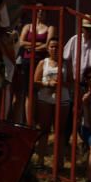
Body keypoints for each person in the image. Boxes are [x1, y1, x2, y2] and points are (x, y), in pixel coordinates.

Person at [12, 3, 55, 123]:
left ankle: (37, 121)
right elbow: (21, 42)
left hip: (40, 62)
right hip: (27, 62)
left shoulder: (49, 28)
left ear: (46, 13)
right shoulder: (28, 26)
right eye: (38, 10)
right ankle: (28, 122)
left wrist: (30, 46)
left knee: (38, 91)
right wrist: (38, 46)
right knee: (28, 92)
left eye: (43, 11)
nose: (40, 12)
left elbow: (47, 45)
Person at [31, 38, 68, 171]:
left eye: (57, 47)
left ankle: (58, 162)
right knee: (44, 129)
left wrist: (61, 83)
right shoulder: (43, 63)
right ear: (48, 48)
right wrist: (48, 83)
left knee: (60, 131)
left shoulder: (65, 64)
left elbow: (71, 82)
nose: (54, 49)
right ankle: (40, 160)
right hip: (45, 99)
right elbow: (35, 81)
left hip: (62, 99)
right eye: (52, 47)